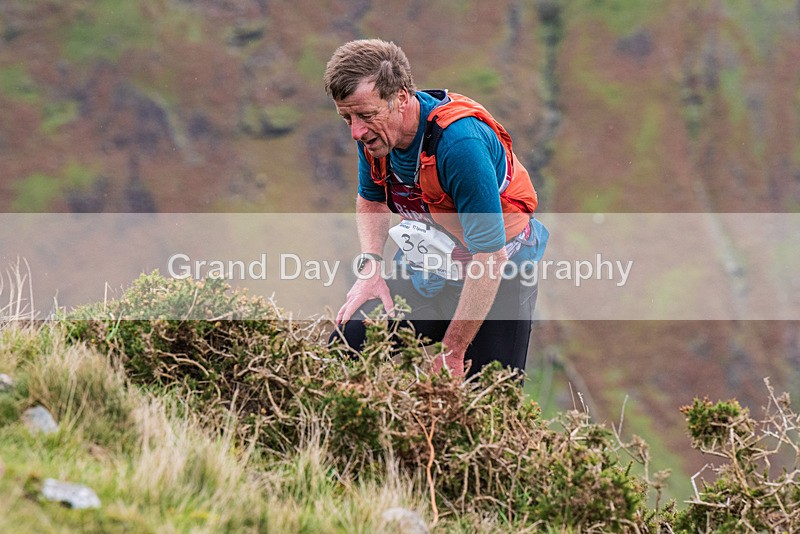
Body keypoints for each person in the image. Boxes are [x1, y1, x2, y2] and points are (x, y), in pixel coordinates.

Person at [324, 39, 547, 379]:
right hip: (431, 270)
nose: (356, 131)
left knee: (488, 401)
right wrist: (371, 267)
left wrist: (453, 350)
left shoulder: (460, 146)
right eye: (347, 117)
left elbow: (490, 257)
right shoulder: (377, 135)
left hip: (499, 280)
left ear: (400, 97)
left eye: (365, 115)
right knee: (348, 342)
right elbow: (372, 199)